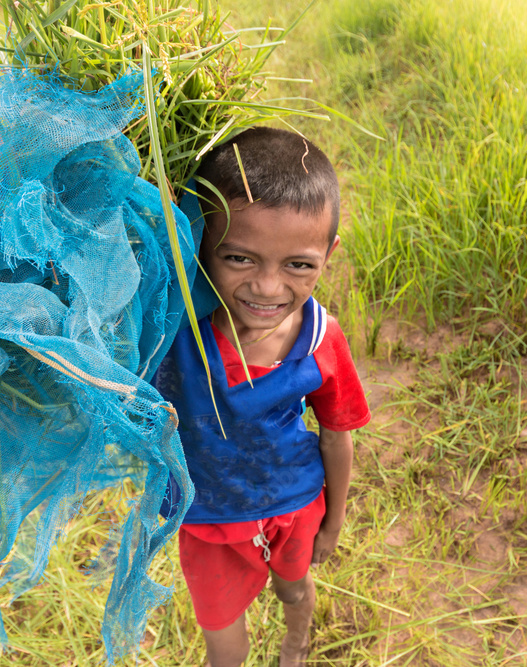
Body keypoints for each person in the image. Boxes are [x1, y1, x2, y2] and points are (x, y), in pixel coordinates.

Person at [153, 126, 370, 666]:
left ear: (328, 253)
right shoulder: (170, 324)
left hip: (294, 504)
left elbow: (336, 437)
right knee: (223, 647)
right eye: (240, 259)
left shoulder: (322, 340)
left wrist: (334, 519)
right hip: (208, 517)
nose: (268, 288)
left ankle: (296, 644)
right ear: (200, 242)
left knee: (293, 589)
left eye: (299, 265)